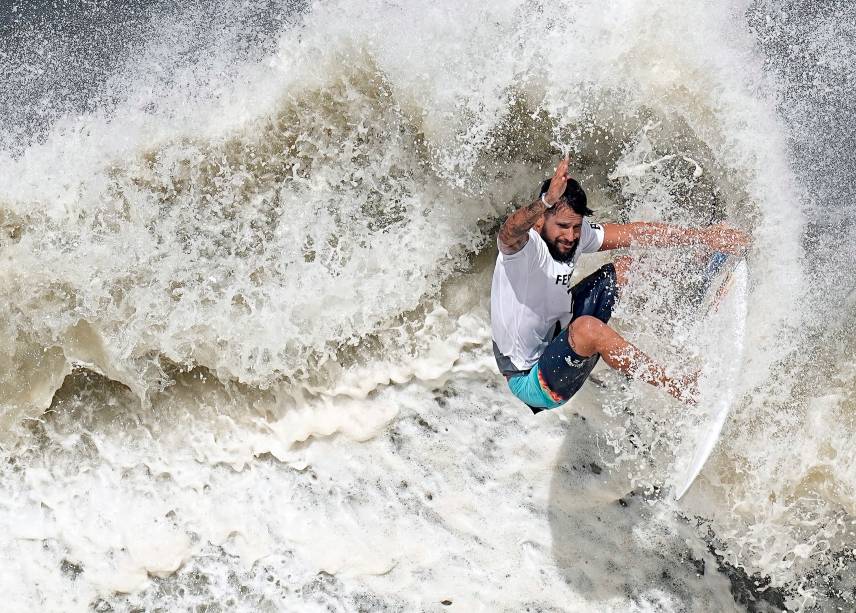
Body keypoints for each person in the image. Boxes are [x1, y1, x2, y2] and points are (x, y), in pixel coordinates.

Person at [491, 156, 750, 413]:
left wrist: (703, 238)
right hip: (531, 379)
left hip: (556, 336)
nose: (570, 236)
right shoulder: (521, 251)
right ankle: (682, 388)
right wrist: (546, 200)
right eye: (562, 226)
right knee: (587, 330)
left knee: (627, 268)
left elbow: (635, 233)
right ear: (540, 221)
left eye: (576, 227)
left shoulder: (577, 235)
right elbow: (509, 231)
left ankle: (705, 271)